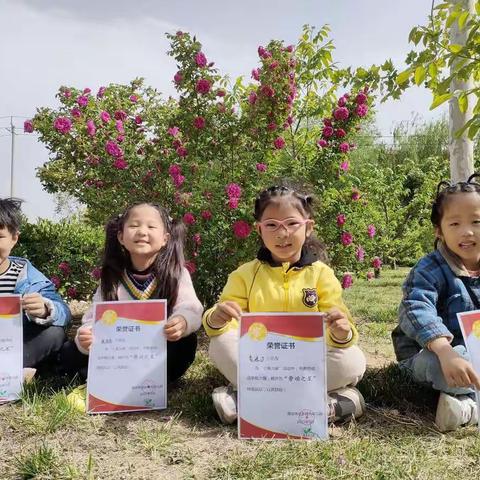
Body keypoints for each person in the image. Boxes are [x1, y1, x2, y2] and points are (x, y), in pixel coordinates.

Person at [203, 185, 366, 424]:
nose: (282, 233)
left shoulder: (322, 275)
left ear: (308, 227)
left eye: (291, 224)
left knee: (352, 360)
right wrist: (217, 318)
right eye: (272, 225)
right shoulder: (244, 275)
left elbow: (343, 325)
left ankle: (246, 402)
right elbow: (222, 327)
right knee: (219, 346)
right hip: (261, 363)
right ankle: (332, 404)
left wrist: (341, 332)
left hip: (308, 363)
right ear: (259, 230)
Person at [60, 202, 203, 405]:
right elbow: (94, 317)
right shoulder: (112, 277)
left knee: (185, 344)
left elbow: (191, 307)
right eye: (134, 225)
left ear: (165, 238)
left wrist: (182, 321)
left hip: (157, 352)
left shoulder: (177, 273)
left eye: (151, 227)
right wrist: (87, 334)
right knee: (69, 353)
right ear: (121, 237)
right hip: (118, 355)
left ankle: (144, 382)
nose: (142, 232)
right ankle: (116, 379)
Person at [392, 174, 480, 432]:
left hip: (474, 354)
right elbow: (416, 309)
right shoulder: (429, 269)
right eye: (454, 223)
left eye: (477, 221)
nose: (467, 231)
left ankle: (464, 408)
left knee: (469, 363)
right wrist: (445, 351)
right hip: (431, 353)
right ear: (439, 230)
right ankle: (469, 406)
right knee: (448, 364)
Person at [0, 198, 70, 379]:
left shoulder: (27, 275)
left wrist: (45, 309)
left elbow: (64, 312)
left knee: (54, 334)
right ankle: (18, 375)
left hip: (13, 349)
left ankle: (12, 372)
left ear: (14, 238)